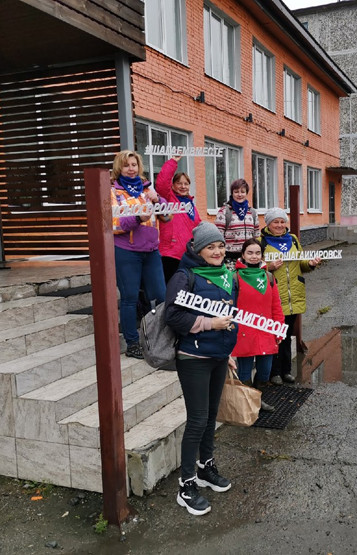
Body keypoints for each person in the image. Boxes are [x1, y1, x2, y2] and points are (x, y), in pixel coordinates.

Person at [164, 222, 238, 516]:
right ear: (198, 250)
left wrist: (227, 351)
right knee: (197, 420)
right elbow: (173, 315)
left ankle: (206, 468)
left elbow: (231, 315)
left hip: (218, 356)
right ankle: (186, 486)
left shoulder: (227, 275)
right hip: (193, 358)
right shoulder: (184, 276)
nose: (218, 251)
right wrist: (208, 323)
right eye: (211, 247)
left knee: (210, 417)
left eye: (220, 246)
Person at [111, 150, 170, 359]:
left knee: (161, 296)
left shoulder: (147, 188)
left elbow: (167, 216)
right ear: (120, 167)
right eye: (127, 165)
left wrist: (158, 200)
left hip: (151, 250)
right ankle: (132, 343)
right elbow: (113, 224)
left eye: (134, 165)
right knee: (129, 298)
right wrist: (137, 218)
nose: (131, 168)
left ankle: (160, 337)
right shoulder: (114, 192)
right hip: (127, 251)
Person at [261, 207, 321, 385]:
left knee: (286, 334)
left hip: (294, 294)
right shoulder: (261, 242)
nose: (279, 225)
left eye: (282, 221)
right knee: (274, 335)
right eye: (275, 222)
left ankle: (286, 371)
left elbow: (300, 263)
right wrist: (268, 267)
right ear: (268, 224)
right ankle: (274, 372)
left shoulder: (293, 239)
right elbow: (254, 267)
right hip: (275, 295)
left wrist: (309, 263)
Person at [232, 238, 284, 412]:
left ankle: (257, 400)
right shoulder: (234, 278)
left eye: (257, 253)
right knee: (244, 373)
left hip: (266, 332)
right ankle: (246, 406)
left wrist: (279, 330)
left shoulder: (269, 277)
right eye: (250, 253)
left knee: (264, 372)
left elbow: (276, 306)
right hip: (244, 333)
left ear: (262, 255)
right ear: (243, 255)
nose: (254, 256)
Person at [155, 155, 201, 283]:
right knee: (170, 289)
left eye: (186, 183)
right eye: (179, 183)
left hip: (188, 255)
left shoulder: (190, 204)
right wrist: (173, 162)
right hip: (170, 254)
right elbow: (162, 183)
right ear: (173, 186)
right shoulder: (168, 199)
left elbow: (198, 226)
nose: (183, 186)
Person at [214, 178, 260, 269]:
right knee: (233, 282)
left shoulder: (253, 212)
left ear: (246, 193)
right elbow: (218, 237)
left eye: (242, 192)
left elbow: (256, 235)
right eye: (236, 192)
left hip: (249, 258)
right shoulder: (225, 212)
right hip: (230, 258)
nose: (239, 195)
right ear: (232, 193)